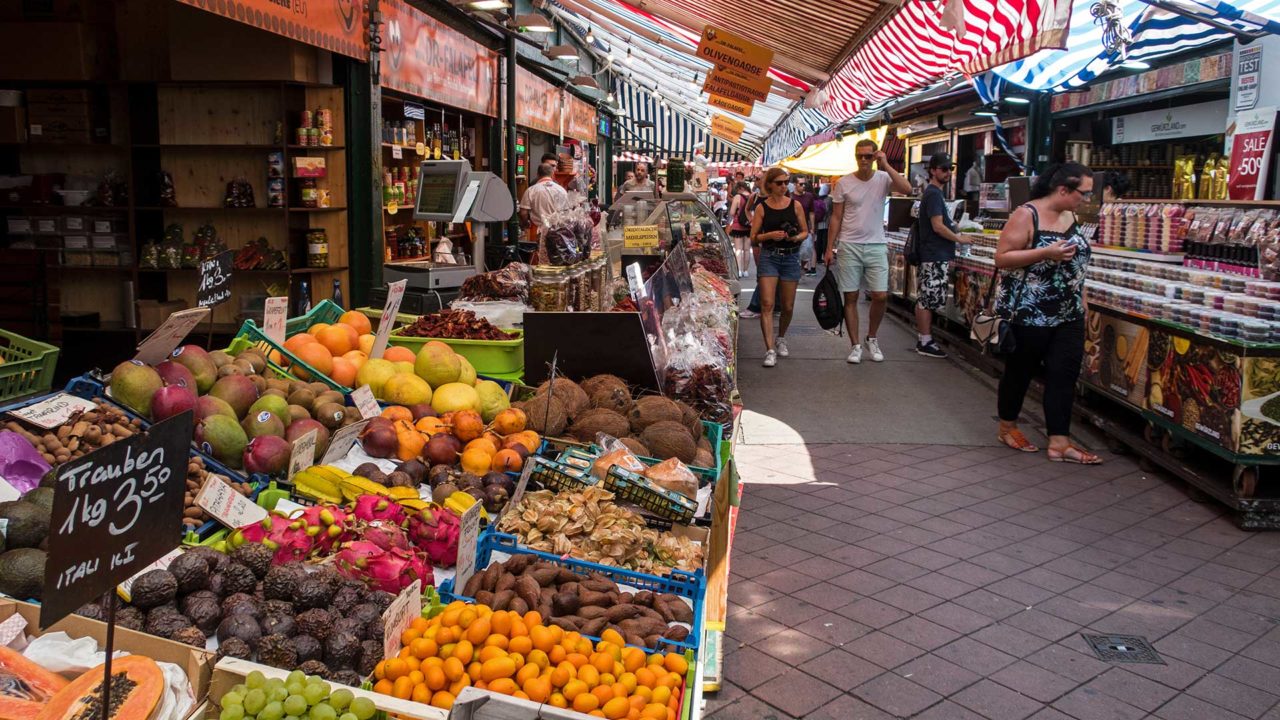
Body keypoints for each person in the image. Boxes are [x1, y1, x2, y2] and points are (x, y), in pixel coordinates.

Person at [994, 162, 1100, 464]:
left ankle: (1059, 441)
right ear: (1063, 189)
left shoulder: (1072, 215)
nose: (1087, 199)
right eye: (1084, 192)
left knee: (1063, 374)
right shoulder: (1027, 214)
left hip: (1068, 313)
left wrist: (1082, 295)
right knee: (1020, 371)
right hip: (1030, 312)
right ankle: (1007, 426)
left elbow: (1076, 265)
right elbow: (1002, 258)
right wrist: (1045, 252)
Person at [824, 140, 911, 363]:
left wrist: (886, 164)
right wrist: (829, 247)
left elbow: (907, 189)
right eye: (860, 156)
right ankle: (855, 345)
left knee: (880, 295)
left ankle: (872, 337)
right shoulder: (844, 183)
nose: (863, 160)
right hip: (849, 244)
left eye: (868, 156)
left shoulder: (883, 179)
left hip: (876, 244)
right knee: (850, 295)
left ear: (874, 157)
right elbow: (836, 216)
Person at [751, 167, 808, 367]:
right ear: (770, 185)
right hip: (769, 257)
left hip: (791, 257)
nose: (784, 186)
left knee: (788, 306)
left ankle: (781, 336)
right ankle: (769, 349)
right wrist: (769, 236)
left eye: (786, 182)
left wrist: (795, 237)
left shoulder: (795, 205)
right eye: (779, 183)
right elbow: (754, 237)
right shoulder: (761, 208)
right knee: (767, 304)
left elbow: (805, 232)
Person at [914, 153, 967, 358]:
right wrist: (958, 238)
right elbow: (937, 226)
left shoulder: (933, 193)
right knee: (928, 298)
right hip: (934, 254)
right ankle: (925, 340)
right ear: (933, 170)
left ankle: (924, 339)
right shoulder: (934, 194)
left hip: (933, 253)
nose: (947, 173)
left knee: (926, 297)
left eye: (950, 169)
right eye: (944, 169)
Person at [518, 162, 570, 263]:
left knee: (539, 259)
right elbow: (567, 213)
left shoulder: (531, 190)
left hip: (537, 231)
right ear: (552, 174)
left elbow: (523, 212)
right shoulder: (561, 190)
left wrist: (525, 223)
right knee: (555, 258)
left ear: (537, 174)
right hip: (558, 231)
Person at [793, 179, 818, 275]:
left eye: (805, 184)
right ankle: (795, 270)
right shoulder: (790, 196)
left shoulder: (809, 196)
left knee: (806, 251)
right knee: (795, 252)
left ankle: (800, 268)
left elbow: (811, 212)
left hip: (805, 228)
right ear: (795, 184)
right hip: (793, 228)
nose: (803, 186)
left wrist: (812, 227)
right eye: (801, 184)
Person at [728, 181, 752, 278]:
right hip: (750, 225)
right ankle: (746, 270)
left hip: (738, 225)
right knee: (747, 249)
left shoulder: (737, 197)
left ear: (740, 188)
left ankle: (739, 271)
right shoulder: (752, 196)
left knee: (738, 249)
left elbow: (732, 212)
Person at [813, 182, 830, 264]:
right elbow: (829, 211)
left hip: (818, 222)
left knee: (818, 240)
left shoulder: (817, 198)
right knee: (825, 241)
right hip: (826, 223)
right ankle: (824, 256)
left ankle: (818, 257)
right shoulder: (829, 199)